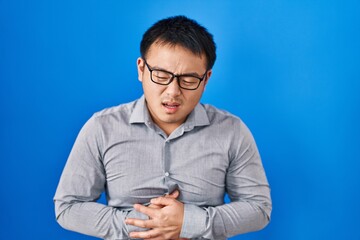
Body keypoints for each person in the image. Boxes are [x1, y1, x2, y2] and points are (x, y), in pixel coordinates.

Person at [54, 15, 272, 240]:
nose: (173, 91)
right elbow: (68, 207)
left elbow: (258, 208)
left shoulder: (232, 131)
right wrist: (146, 225)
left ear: (206, 79)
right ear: (141, 69)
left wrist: (190, 221)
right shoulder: (101, 128)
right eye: (161, 75)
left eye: (188, 79)